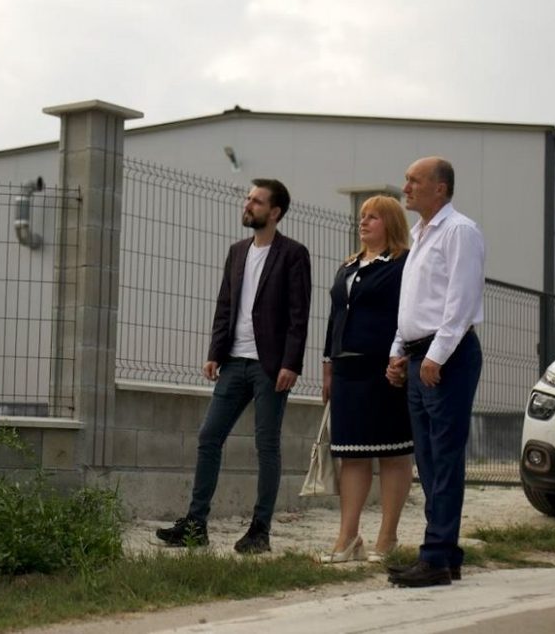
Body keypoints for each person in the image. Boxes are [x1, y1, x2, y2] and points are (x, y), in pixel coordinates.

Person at [156, 178, 312, 554]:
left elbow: (299, 314)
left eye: (256, 201)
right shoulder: (237, 251)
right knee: (209, 437)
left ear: (274, 211)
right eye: (248, 198)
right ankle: (196, 524)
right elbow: (225, 304)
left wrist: (291, 363)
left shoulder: (293, 254)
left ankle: (260, 530)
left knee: (266, 445)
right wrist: (215, 352)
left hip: (270, 367)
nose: (248, 204)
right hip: (234, 362)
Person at [385, 157, 485, 587]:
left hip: (446, 358)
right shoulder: (420, 234)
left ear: (439, 188)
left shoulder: (460, 231)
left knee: (444, 459)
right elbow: (412, 304)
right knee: (427, 460)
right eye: (406, 180)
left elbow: (461, 301)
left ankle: (436, 556)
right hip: (418, 356)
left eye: (414, 181)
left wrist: (436, 356)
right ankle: (446, 554)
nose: (405, 187)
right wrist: (398, 352)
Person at [319, 195, 413, 564]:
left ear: (391, 223)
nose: (364, 222)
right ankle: (348, 538)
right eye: (362, 216)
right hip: (347, 371)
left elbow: (410, 314)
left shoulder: (403, 264)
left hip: (384, 370)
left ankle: (387, 538)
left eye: (373, 217)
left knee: (392, 453)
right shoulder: (348, 266)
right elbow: (334, 319)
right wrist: (328, 365)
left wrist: (403, 358)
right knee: (352, 456)